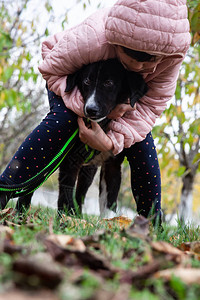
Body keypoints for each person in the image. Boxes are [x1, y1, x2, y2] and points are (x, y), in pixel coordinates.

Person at [0, 0, 190, 223]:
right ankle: (5, 187)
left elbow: (149, 110)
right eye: (133, 60)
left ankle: (152, 219)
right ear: (116, 44)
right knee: (65, 121)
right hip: (67, 79)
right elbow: (52, 70)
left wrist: (111, 142)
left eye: (151, 62)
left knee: (142, 141)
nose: (141, 68)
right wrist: (84, 107)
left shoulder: (169, 58)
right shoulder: (92, 39)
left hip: (119, 94)